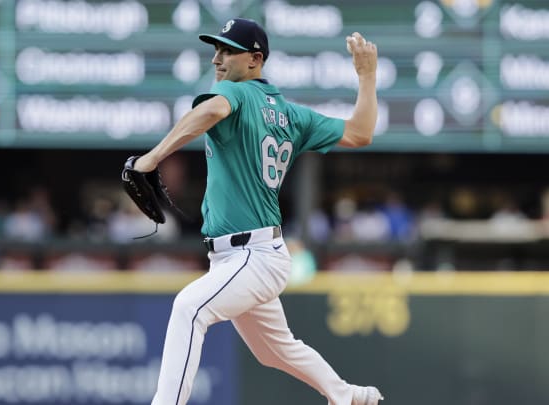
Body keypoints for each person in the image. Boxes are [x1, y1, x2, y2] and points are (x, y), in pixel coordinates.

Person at [132, 18, 382, 405]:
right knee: (274, 350)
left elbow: (211, 111)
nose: (217, 59)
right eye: (215, 49)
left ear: (255, 59)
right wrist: (367, 77)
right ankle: (347, 396)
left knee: (189, 309)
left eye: (227, 51)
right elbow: (360, 132)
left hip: (253, 256)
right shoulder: (293, 115)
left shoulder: (237, 93)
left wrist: (151, 158)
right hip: (249, 256)